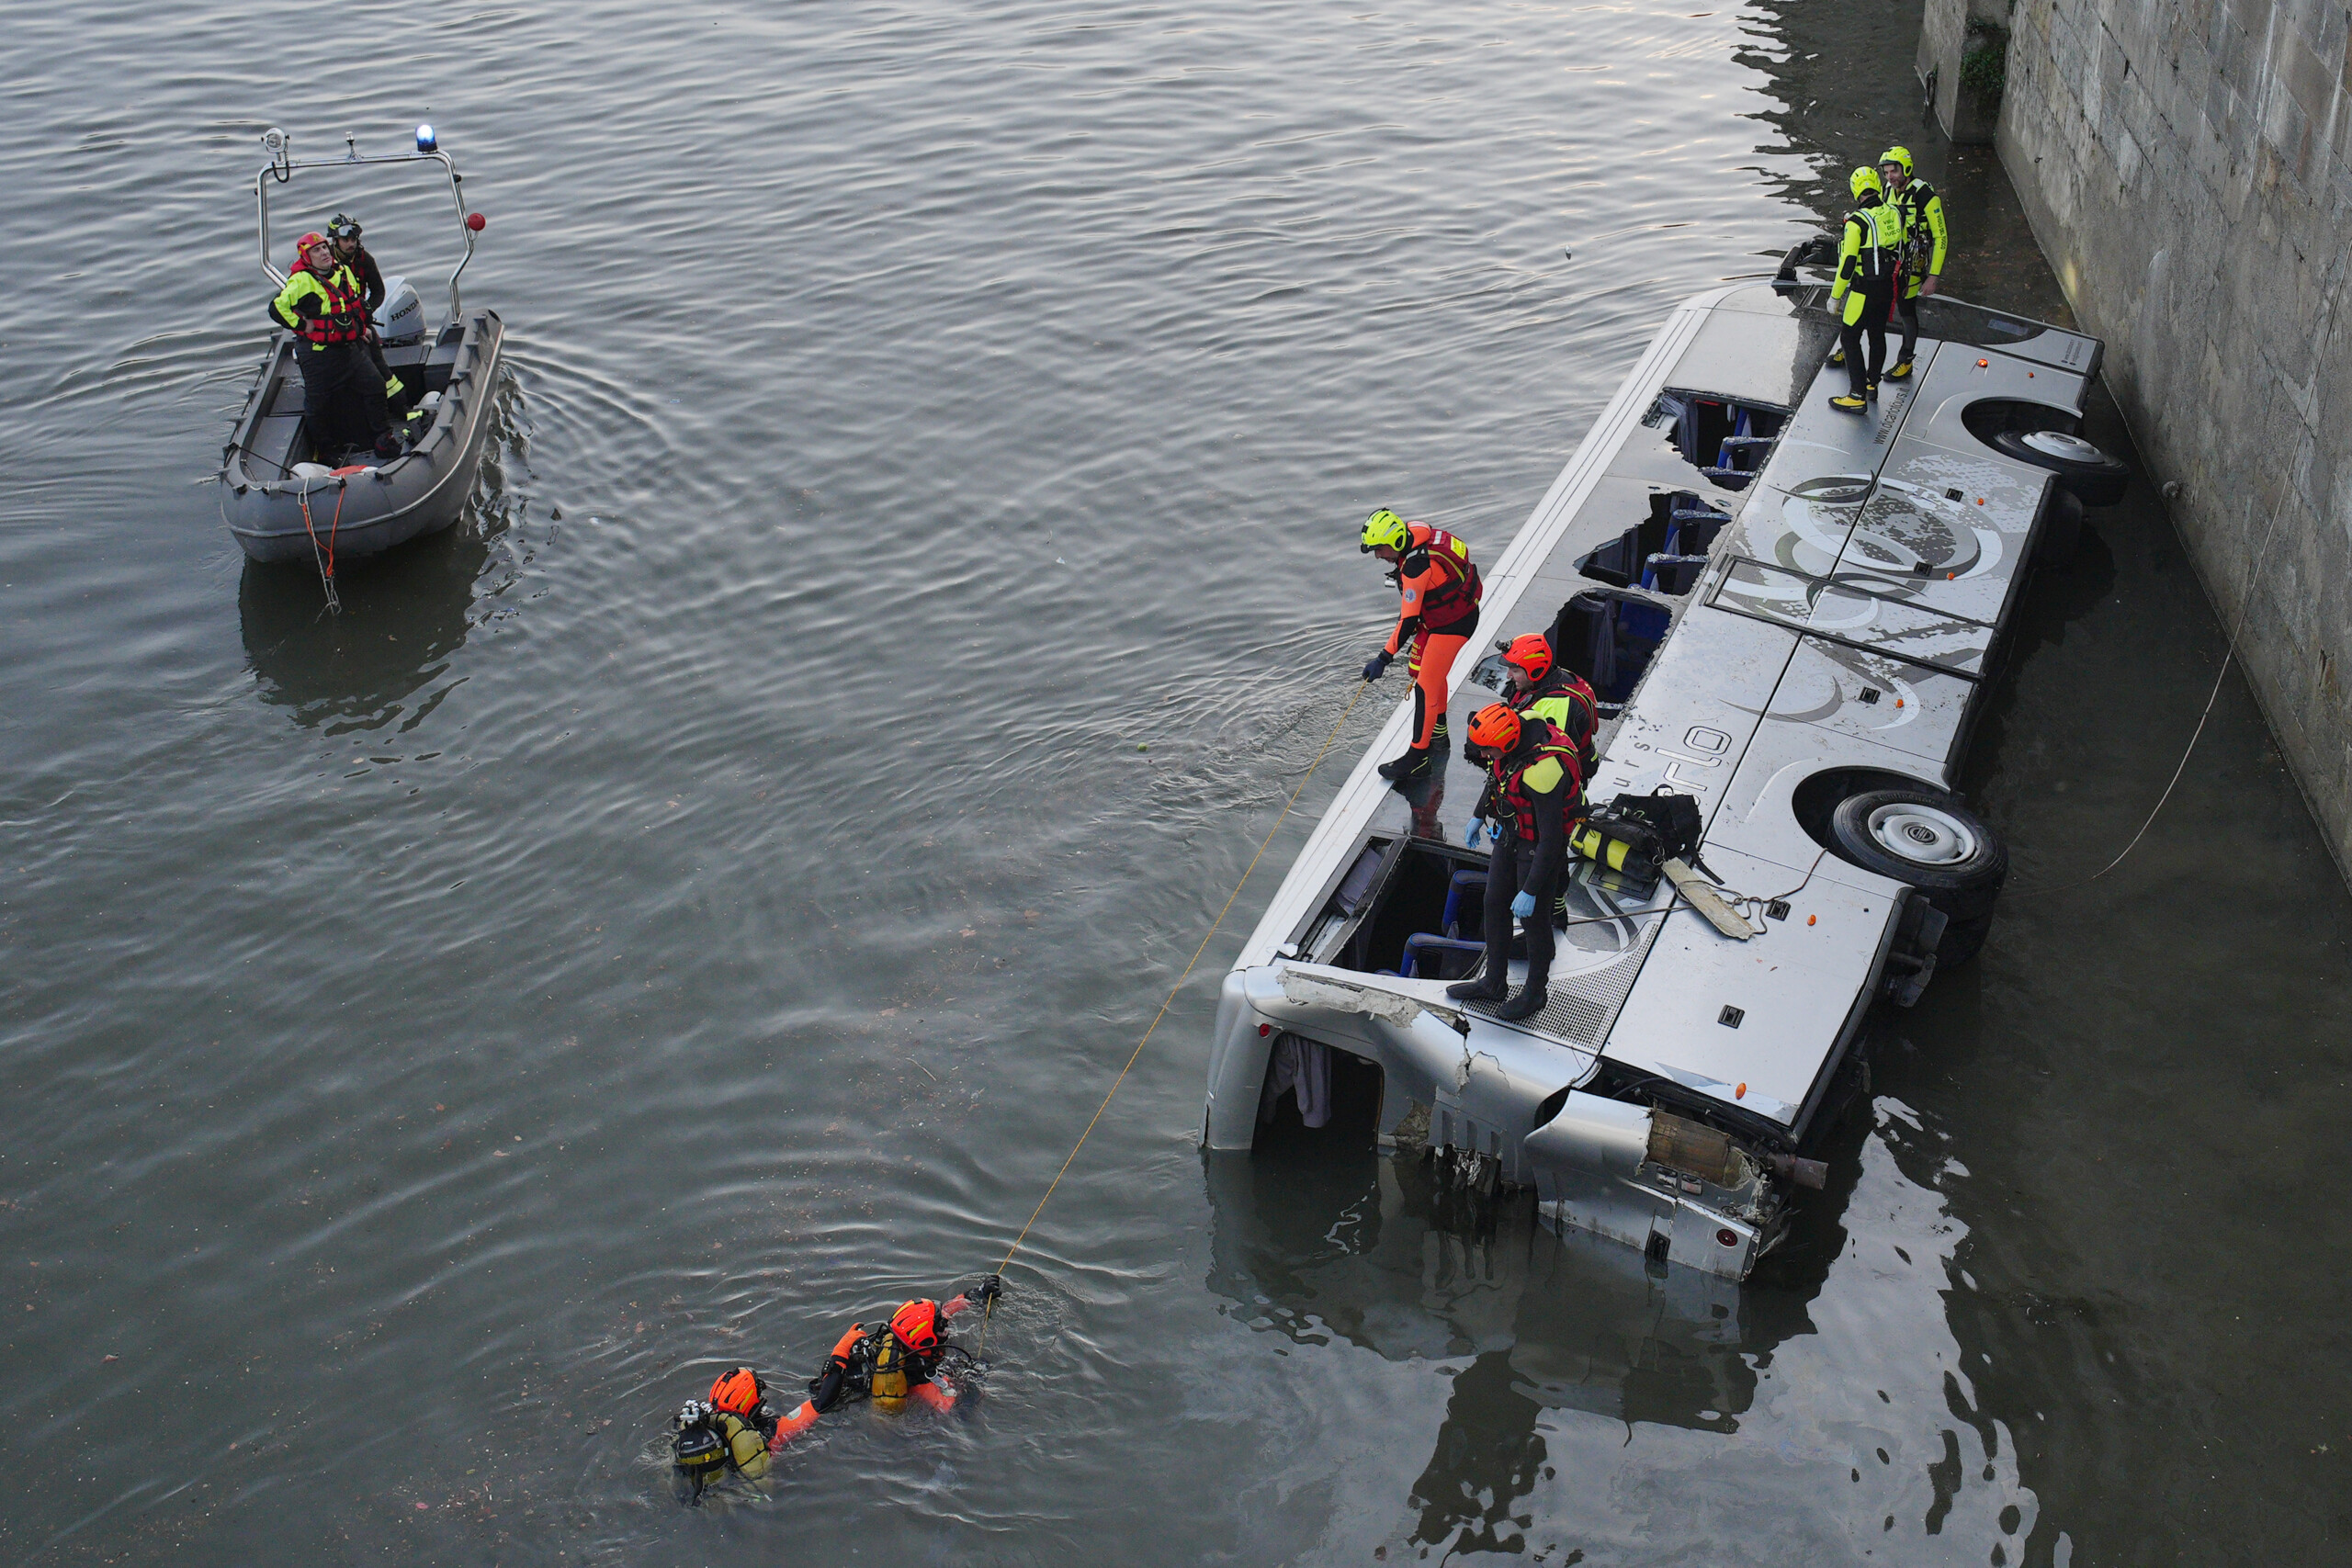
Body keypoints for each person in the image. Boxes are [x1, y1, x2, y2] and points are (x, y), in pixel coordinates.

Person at [1447, 704, 1585, 1021]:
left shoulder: (1543, 773)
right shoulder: (1513, 736)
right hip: (1511, 833)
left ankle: (1535, 992)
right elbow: (1498, 777)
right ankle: (1494, 982)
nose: (1484, 755)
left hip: (1538, 846)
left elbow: (1551, 839)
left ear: (1506, 743)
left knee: (1535, 921)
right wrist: (1478, 815)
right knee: (1494, 901)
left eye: (1488, 750)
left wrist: (1532, 889)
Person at [765, 1275, 1001, 1445]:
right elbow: (961, 1412)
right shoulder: (914, 1375)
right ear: (926, 1342)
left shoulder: (896, 1337)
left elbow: (941, 1315)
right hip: (843, 1411)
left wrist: (976, 1295)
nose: (946, 1334)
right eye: (941, 1333)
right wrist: (977, 1377)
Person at [1360, 509, 1483, 785]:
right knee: (1431, 675)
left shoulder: (1415, 568)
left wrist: (1383, 658)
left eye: (1379, 550)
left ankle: (1417, 760)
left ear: (1393, 541)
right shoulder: (1416, 530)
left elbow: (1408, 621)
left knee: (1425, 687)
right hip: (1458, 611)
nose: (1378, 556)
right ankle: (1439, 731)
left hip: (1452, 624)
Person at [270, 231, 399, 460]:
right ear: (307, 257)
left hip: (347, 348)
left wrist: (361, 329)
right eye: (316, 251)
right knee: (318, 404)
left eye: (324, 248)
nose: (324, 253)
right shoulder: (301, 281)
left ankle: (382, 438)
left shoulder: (343, 271)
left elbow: (352, 305)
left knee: (376, 386)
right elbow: (277, 308)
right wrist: (302, 325)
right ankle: (327, 451)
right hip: (317, 355)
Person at [1826, 166, 1903, 414]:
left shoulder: (1856, 222)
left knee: (1849, 338)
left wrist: (1835, 296)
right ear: (1878, 186)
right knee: (1877, 335)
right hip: (1887, 287)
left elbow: (1847, 264)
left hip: (1863, 290)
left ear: (1855, 190)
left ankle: (1856, 395)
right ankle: (1872, 385)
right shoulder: (1892, 212)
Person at [327, 213, 410, 415]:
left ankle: (401, 409)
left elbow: (378, 291)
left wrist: (365, 313)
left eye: (353, 239)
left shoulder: (365, 260)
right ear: (335, 241)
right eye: (346, 240)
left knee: (381, 368)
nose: (351, 244)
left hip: (359, 321)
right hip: (332, 326)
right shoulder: (324, 260)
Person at [1878, 147, 1947, 381]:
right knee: (1872, 302)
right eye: (1886, 173)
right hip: (1889, 260)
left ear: (1906, 168)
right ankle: (1851, 346)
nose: (1890, 177)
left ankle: (1905, 361)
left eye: (1894, 171)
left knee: (1907, 311)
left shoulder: (1925, 195)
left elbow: (1941, 238)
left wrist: (1933, 277)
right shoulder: (1888, 191)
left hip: (1912, 266)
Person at [1494, 633, 1598, 779]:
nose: (1508, 676)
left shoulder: (1557, 705)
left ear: (1535, 670)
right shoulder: (1555, 677)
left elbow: (1550, 758)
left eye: (1515, 670)